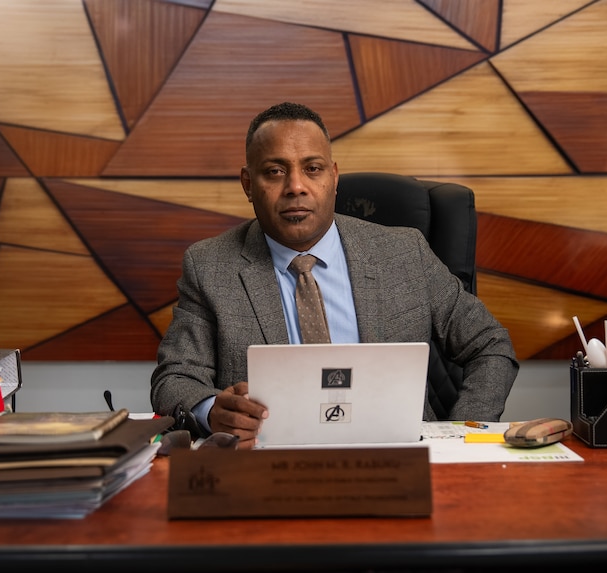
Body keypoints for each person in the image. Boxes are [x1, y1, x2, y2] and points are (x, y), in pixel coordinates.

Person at [151, 102, 519, 449]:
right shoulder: (210, 266)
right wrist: (210, 410)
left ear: (334, 176)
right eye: (275, 171)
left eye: (312, 168)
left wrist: (460, 439)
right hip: (270, 463)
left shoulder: (404, 253)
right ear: (248, 183)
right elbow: (175, 380)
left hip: (399, 456)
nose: (296, 186)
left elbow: (490, 345)